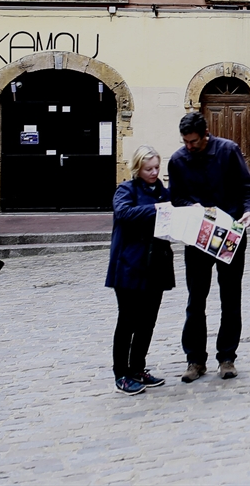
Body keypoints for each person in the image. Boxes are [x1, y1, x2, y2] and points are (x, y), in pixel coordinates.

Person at [169, 112, 250, 383]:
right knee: (196, 299)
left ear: (205, 134)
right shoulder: (177, 160)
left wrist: (248, 211)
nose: (189, 146)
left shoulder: (228, 151)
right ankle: (195, 360)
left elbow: (247, 188)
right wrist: (189, 206)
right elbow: (176, 198)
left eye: (194, 141)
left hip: (229, 233)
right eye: (185, 141)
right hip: (198, 237)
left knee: (230, 297)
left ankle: (227, 357)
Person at [105, 145, 176, 396]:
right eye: (149, 169)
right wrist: (156, 210)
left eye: (157, 168)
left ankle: (138, 367)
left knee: (148, 321)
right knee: (128, 321)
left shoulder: (163, 192)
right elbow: (124, 213)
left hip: (155, 265)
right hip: (129, 264)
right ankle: (121, 374)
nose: (154, 172)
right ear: (137, 168)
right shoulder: (126, 189)